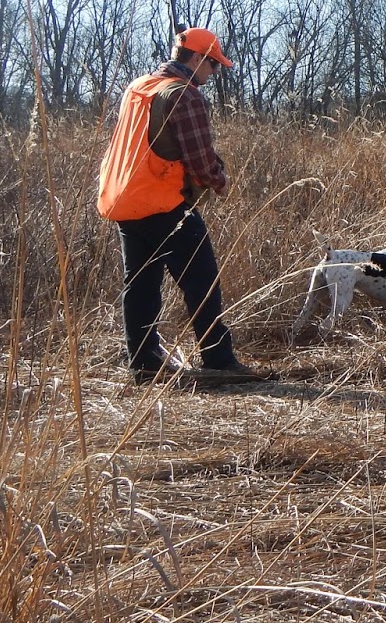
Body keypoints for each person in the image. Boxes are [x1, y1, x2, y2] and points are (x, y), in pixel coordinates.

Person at [96, 26, 264, 384]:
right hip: (164, 204)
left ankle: (143, 363)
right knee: (202, 281)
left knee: (140, 284)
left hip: (124, 200)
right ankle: (219, 360)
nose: (214, 73)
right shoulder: (185, 96)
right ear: (197, 58)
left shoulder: (138, 87)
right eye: (213, 64)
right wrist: (220, 180)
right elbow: (200, 161)